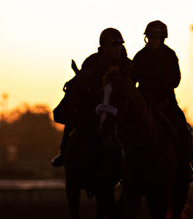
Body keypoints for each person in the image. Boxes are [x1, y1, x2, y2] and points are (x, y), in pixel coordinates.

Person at [51, 28, 132, 167]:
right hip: (95, 105)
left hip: (120, 107)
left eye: (119, 45)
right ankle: (64, 151)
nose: (118, 48)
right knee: (76, 120)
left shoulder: (127, 64)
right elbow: (83, 85)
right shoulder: (92, 61)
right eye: (114, 45)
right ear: (105, 47)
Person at [131, 20, 193, 182]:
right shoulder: (139, 56)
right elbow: (132, 79)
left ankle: (185, 164)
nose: (152, 40)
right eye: (150, 37)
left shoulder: (170, 55)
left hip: (166, 102)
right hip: (144, 103)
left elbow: (176, 80)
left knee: (182, 127)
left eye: (155, 37)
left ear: (162, 39)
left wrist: (157, 87)